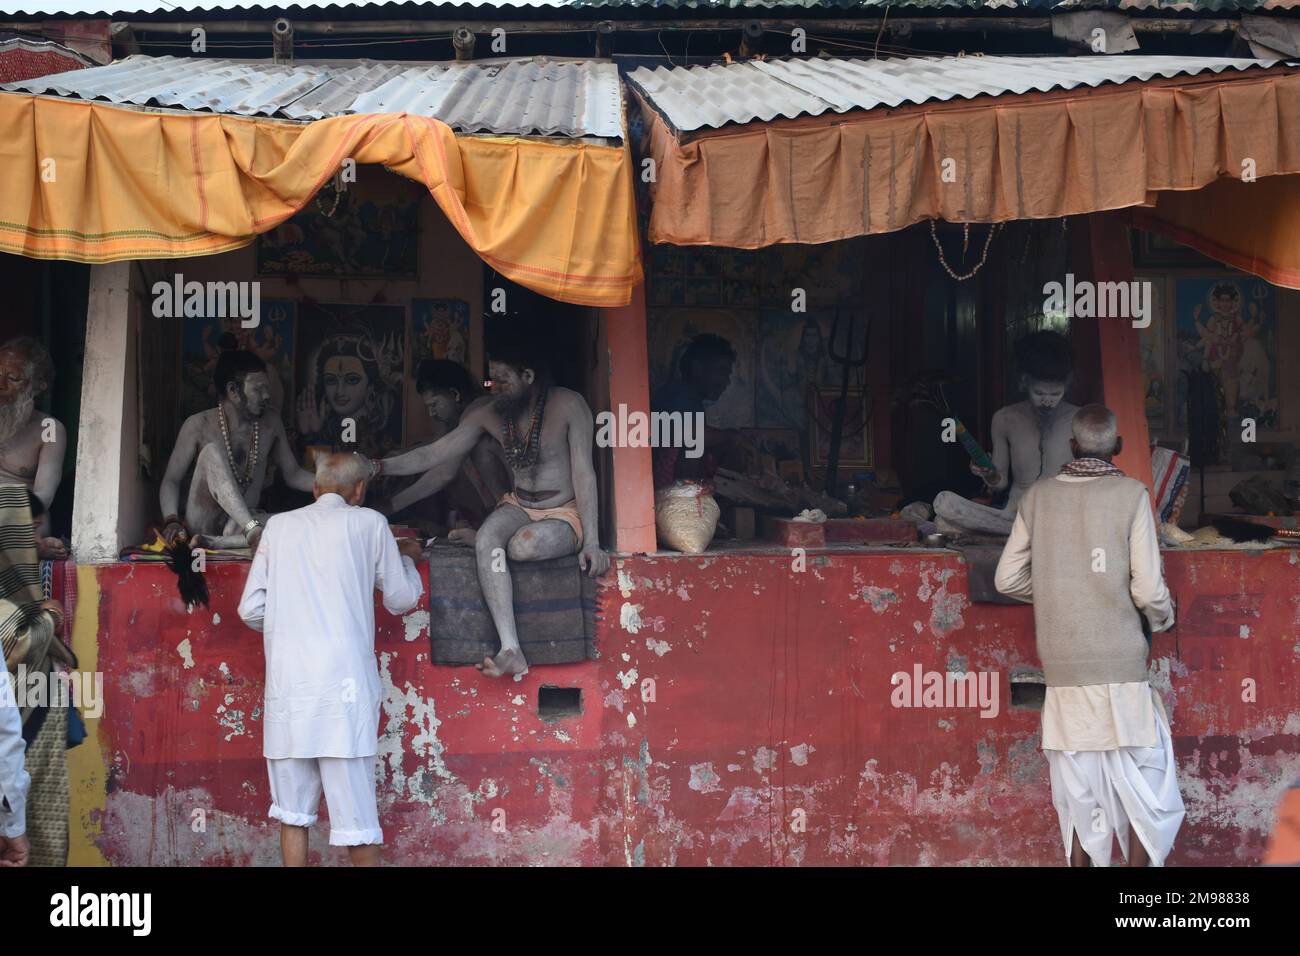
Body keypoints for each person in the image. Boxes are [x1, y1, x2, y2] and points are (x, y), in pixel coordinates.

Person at [994, 404, 1183, 867]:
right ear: (1117, 447)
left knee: (1079, 795)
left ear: (1073, 446)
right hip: (1120, 664)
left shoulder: (1037, 496)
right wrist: (1163, 618)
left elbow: (1006, 580)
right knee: (1147, 787)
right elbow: (1147, 588)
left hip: (1064, 668)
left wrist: (1062, 591)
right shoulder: (1133, 495)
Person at [375, 341, 610, 679]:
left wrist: (592, 542)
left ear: (528, 376)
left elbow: (585, 474)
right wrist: (375, 467)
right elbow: (434, 455)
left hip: (563, 512)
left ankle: (495, 545)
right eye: (490, 379)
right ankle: (511, 650)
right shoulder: (489, 411)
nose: (492, 387)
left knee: (521, 545)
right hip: (518, 505)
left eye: (501, 380)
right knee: (488, 539)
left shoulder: (570, 404)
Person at [236, 452, 423, 866]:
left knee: (293, 815)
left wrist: (290, 625)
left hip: (290, 692)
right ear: (359, 491)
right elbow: (400, 598)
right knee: (358, 819)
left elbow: (250, 610)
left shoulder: (278, 527)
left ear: (315, 487)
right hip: (345, 694)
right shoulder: (370, 524)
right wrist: (406, 558)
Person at [161, 346, 314, 550]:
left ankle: (220, 542)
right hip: (204, 522)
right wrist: (171, 519)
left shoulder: (271, 423)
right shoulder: (198, 425)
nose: (267, 396)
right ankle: (250, 530)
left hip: (241, 527)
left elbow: (293, 474)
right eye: (258, 389)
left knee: (306, 519)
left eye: (267, 388)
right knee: (211, 452)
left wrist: (334, 485)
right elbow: (171, 480)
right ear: (233, 391)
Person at [934, 330, 1079, 537]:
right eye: (1039, 393)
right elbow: (1000, 483)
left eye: (1055, 394)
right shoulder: (1005, 418)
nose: (1047, 401)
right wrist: (987, 473)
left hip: (1062, 517)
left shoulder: (1079, 418)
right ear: (1024, 381)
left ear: (1068, 383)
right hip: (1015, 516)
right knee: (946, 503)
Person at [385, 359, 510, 539]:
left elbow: (443, 472)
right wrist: (397, 456)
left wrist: (390, 505)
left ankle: (498, 521)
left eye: (433, 405)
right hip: (496, 509)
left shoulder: (478, 409)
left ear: (455, 394)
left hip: (512, 505)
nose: (431, 413)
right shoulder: (457, 419)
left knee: (471, 453)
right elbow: (435, 445)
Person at [651, 333, 746, 487]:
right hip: (666, 495)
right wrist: (731, 435)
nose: (726, 381)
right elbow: (689, 434)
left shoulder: (690, 399)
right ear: (697, 368)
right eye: (721, 371)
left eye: (727, 374)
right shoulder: (677, 395)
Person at [0, 337, 67, 539]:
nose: (1, 385)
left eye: (13, 378)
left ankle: (36, 547)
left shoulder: (50, 429)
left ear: (38, 386)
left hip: (24, 515)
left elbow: (43, 496)